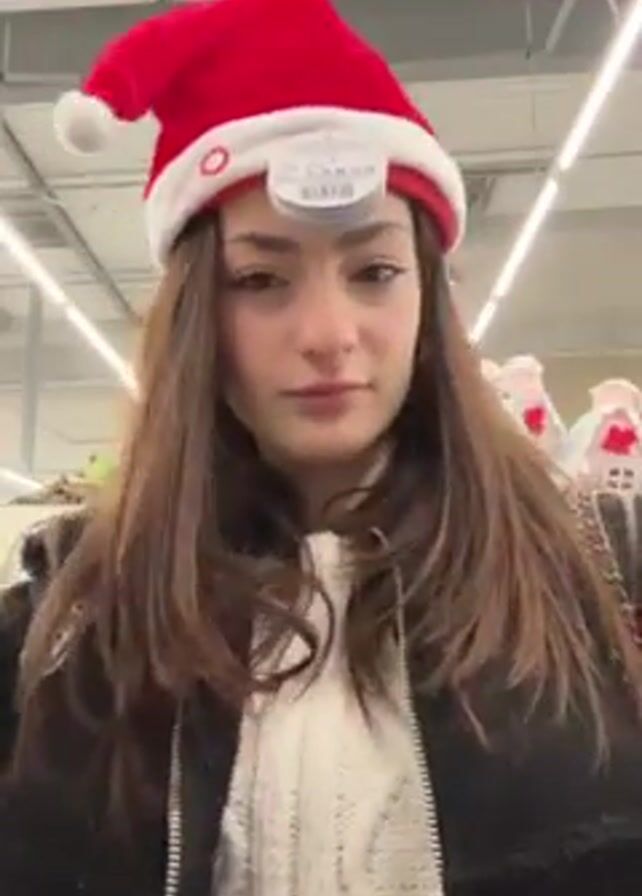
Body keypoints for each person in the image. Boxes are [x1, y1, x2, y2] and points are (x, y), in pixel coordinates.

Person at [1, 1, 642, 895]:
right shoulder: (64, 624)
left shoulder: (601, 574)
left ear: (427, 298)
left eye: (375, 271)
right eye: (261, 279)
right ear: (196, 316)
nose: (329, 334)